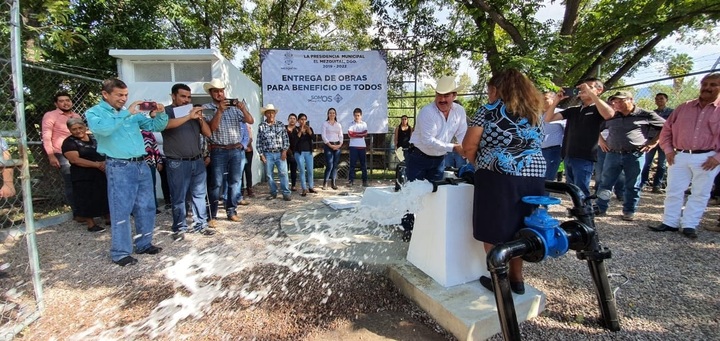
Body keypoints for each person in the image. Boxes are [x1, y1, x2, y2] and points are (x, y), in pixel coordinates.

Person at [462, 68, 546, 295]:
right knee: (521, 226)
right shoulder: (536, 111)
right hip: (534, 175)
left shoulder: (488, 111)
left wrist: (477, 163)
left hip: (497, 175)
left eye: (490, 90)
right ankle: (517, 278)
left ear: (496, 89)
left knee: (493, 228)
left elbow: (469, 146)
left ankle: (499, 281)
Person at [85, 78, 168, 266]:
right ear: (105, 94)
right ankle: (120, 253)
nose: (124, 99)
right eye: (119, 95)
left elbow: (156, 127)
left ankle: (144, 243)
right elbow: (103, 130)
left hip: (141, 164)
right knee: (121, 210)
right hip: (119, 166)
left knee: (146, 206)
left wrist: (160, 114)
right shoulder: (95, 113)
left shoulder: (130, 114)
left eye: (126, 95)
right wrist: (126, 114)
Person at [650, 73, 720, 239]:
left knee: (700, 192)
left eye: (713, 85)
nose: (708, 88)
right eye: (705, 84)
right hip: (679, 155)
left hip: (708, 157)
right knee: (673, 190)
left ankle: (689, 224)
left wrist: (717, 158)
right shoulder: (684, 107)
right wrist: (668, 150)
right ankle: (670, 222)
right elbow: (666, 130)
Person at [595, 91, 665, 221]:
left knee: (632, 184)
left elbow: (666, 127)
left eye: (621, 101)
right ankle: (600, 207)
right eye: (615, 102)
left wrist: (653, 142)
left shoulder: (645, 114)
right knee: (605, 183)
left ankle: (629, 210)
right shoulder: (612, 116)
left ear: (631, 100)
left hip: (634, 154)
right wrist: (601, 141)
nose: (618, 104)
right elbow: (595, 128)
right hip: (613, 154)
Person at [545, 78, 615, 198]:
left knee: (581, 190)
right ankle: (576, 211)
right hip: (568, 155)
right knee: (572, 190)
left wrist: (591, 94)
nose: (583, 90)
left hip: (584, 157)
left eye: (589, 87)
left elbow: (609, 114)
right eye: (582, 88)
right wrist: (557, 100)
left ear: (599, 90)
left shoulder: (597, 109)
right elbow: (548, 119)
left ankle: (586, 213)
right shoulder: (573, 110)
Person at [162, 83, 215, 241]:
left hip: (196, 160)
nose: (186, 100)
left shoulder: (193, 113)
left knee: (199, 194)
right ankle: (179, 227)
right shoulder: (166, 111)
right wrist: (188, 116)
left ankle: (201, 224)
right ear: (173, 96)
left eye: (189, 97)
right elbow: (165, 125)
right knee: (179, 196)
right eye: (183, 96)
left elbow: (208, 133)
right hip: (177, 162)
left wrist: (199, 118)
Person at [202, 79, 254, 223]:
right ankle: (211, 215)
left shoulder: (234, 108)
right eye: (216, 91)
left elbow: (250, 121)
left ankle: (231, 211)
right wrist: (219, 111)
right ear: (211, 93)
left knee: (235, 182)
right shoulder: (207, 108)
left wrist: (243, 108)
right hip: (218, 150)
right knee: (216, 183)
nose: (220, 94)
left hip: (236, 150)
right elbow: (210, 129)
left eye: (221, 91)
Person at [406, 75, 467, 182]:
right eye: (439, 95)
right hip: (418, 158)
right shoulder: (427, 111)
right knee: (414, 195)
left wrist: (466, 150)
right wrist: (454, 147)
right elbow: (428, 140)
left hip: (439, 160)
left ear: (454, 96)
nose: (442, 99)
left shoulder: (460, 111)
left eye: (446, 95)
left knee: (435, 195)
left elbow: (463, 134)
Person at [61, 118, 109, 232]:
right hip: (83, 175)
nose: (78, 131)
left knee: (104, 194)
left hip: (100, 173)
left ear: (85, 127)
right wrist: (96, 165)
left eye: (80, 128)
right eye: (74, 129)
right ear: (69, 130)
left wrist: (104, 163)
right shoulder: (69, 142)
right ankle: (91, 224)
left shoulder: (94, 139)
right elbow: (75, 160)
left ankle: (108, 217)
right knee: (85, 198)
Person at [42, 91, 82, 217]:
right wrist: (51, 155)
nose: (65, 103)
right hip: (62, 153)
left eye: (68, 100)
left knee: (83, 181)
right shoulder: (50, 115)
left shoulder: (76, 116)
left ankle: (88, 210)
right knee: (71, 182)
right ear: (56, 103)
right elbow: (46, 136)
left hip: (80, 152)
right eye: (61, 101)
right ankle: (77, 213)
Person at [640, 92, 674, 193]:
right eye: (657, 99)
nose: (659, 101)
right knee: (647, 163)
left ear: (666, 100)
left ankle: (657, 185)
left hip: (665, 141)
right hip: (651, 140)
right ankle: (643, 183)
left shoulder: (672, 112)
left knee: (662, 164)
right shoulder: (652, 113)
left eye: (661, 99)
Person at [257, 104, 291, 201]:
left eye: (272, 112)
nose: (271, 114)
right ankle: (273, 192)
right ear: (265, 114)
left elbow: (286, 140)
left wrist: (284, 151)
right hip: (267, 154)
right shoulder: (261, 126)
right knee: (269, 174)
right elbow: (259, 141)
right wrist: (261, 154)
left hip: (280, 152)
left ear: (275, 114)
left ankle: (286, 193)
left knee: (283, 173)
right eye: (269, 113)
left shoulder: (280, 125)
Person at [540, 91, 566, 181]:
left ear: (554, 99)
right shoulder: (538, 114)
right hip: (538, 151)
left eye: (545, 99)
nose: (542, 101)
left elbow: (567, 132)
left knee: (547, 179)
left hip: (553, 151)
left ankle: (544, 195)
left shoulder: (560, 113)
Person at [293, 113, 316, 196]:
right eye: (301, 119)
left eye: (305, 119)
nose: (303, 121)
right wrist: (301, 130)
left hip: (308, 152)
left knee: (310, 170)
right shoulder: (295, 129)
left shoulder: (310, 128)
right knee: (302, 170)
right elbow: (295, 141)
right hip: (299, 153)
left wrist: (309, 131)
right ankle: (304, 188)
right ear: (298, 121)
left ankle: (311, 187)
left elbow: (313, 138)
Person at [141, 130, 163, 214]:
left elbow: (155, 148)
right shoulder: (131, 132)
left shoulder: (148, 133)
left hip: (150, 164)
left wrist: (159, 161)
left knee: (151, 185)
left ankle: (153, 206)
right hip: (135, 165)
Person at [321, 107, 343, 190]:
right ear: (328, 114)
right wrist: (330, 145)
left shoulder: (338, 125)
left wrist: (340, 144)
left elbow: (341, 135)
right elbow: (323, 136)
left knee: (335, 165)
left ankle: (333, 183)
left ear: (335, 114)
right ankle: (325, 183)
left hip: (337, 145)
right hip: (328, 145)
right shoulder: (325, 124)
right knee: (329, 165)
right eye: (330, 113)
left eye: (333, 113)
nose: (332, 114)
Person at [347, 108, 369, 187]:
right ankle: (351, 180)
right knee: (352, 164)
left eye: (358, 115)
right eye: (355, 115)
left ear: (361, 116)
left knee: (363, 165)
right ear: (353, 115)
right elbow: (350, 134)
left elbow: (365, 134)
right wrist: (360, 134)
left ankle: (365, 181)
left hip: (362, 146)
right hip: (353, 146)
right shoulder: (351, 124)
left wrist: (355, 134)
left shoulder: (364, 124)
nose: (357, 117)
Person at [242, 123, 256, 198]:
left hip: (248, 151)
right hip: (238, 150)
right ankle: (241, 189)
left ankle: (249, 188)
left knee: (247, 169)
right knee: (240, 171)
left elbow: (250, 138)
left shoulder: (247, 125)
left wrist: (244, 146)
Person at [286, 113, 298, 191]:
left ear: (296, 120)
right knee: (284, 170)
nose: (292, 120)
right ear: (288, 120)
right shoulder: (284, 129)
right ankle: (285, 185)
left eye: (294, 118)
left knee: (294, 170)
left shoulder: (298, 129)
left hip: (295, 152)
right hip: (285, 152)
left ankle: (293, 185)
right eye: (291, 118)